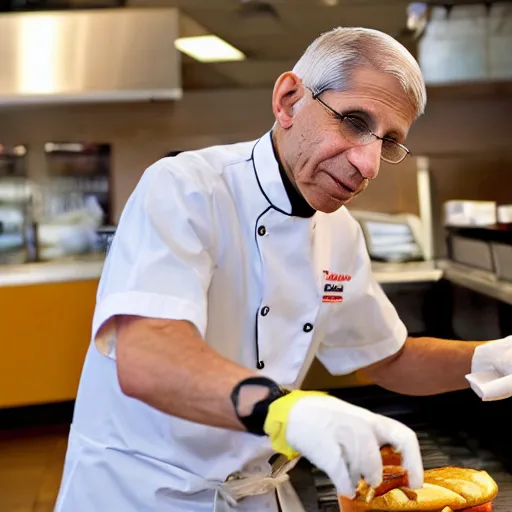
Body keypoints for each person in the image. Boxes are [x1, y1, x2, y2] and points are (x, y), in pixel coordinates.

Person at [54, 27, 512, 512]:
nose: (369, 164)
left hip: (257, 493)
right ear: (289, 100)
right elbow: (147, 357)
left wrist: (493, 359)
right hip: (142, 492)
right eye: (354, 121)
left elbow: (388, 357)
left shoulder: (339, 233)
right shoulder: (187, 188)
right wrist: (289, 413)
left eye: (389, 141)